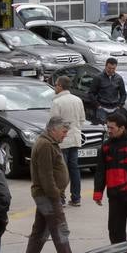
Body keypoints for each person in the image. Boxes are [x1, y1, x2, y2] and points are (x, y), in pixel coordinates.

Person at [21, 116, 74, 253]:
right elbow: (46, 175)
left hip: (46, 195)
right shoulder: (45, 145)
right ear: (53, 130)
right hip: (48, 196)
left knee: (40, 230)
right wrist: (56, 194)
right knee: (59, 228)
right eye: (63, 132)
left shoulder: (49, 143)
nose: (65, 135)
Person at [93, 110, 127, 243]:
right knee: (115, 231)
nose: (109, 131)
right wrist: (98, 192)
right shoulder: (105, 147)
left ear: (122, 128)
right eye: (107, 127)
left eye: (112, 128)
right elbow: (100, 171)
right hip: (114, 196)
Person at [50, 76, 85, 205]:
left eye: (56, 85)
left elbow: (53, 123)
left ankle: (60, 198)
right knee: (74, 169)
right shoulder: (77, 100)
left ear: (60, 86)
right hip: (75, 138)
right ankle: (76, 198)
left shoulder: (57, 102)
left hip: (61, 141)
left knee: (60, 170)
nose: (55, 87)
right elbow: (82, 120)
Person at [88, 57, 126, 123]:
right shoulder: (98, 78)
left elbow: (123, 94)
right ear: (105, 66)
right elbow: (91, 93)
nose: (111, 70)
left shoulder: (119, 78)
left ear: (116, 67)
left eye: (113, 68)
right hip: (102, 108)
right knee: (103, 129)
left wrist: (119, 106)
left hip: (115, 109)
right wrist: (98, 106)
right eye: (109, 68)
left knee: (113, 129)